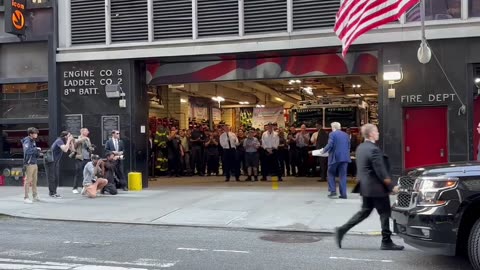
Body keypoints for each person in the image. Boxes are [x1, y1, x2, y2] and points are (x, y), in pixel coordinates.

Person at [334, 123, 403, 251]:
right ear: (371, 134)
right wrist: (391, 186)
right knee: (384, 213)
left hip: (365, 187)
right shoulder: (374, 149)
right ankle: (386, 241)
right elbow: (380, 171)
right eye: (376, 131)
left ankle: (341, 230)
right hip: (377, 188)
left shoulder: (360, 148)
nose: (378, 133)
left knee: (364, 212)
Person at [319, 122, 351, 199]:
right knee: (343, 176)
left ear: (333, 128)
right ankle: (343, 194)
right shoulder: (346, 135)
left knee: (330, 173)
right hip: (345, 157)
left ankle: (333, 191)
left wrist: (323, 151)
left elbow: (330, 144)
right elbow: (349, 146)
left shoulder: (332, 134)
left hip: (335, 158)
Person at [48, 131, 75, 198]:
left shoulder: (64, 142)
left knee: (56, 177)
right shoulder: (59, 141)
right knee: (52, 177)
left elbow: (73, 150)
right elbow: (65, 150)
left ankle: (54, 192)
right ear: (65, 136)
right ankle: (52, 193)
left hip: (56, 161)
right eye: (69, 136)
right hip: (50, 161)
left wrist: (71, 141)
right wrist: (68, 140)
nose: (70, 137)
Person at [22, 127, 41, 204]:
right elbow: (27, 151)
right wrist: (36, 149)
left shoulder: (33, 141)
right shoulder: (27, 141)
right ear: (31, 134)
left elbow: (32, 151)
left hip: (34, 162)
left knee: (34, 181)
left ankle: (35, 196)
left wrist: (38, 152)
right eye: (35, 133)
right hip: (29, 164)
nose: (36, 135)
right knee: (28, 181)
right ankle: (26, 197)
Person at [73, 128, 94, 194]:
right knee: (78, 172)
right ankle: (75, 188)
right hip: (80, 158)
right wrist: (84, 138)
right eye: (87, 131)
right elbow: (76, 143)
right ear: (82, 132)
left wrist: (91, 149)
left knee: (86, 173)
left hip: (87, 158)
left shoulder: (88, 139)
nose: (88, 132)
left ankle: (84, 187)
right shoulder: (77, 138)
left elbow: (89, 147)